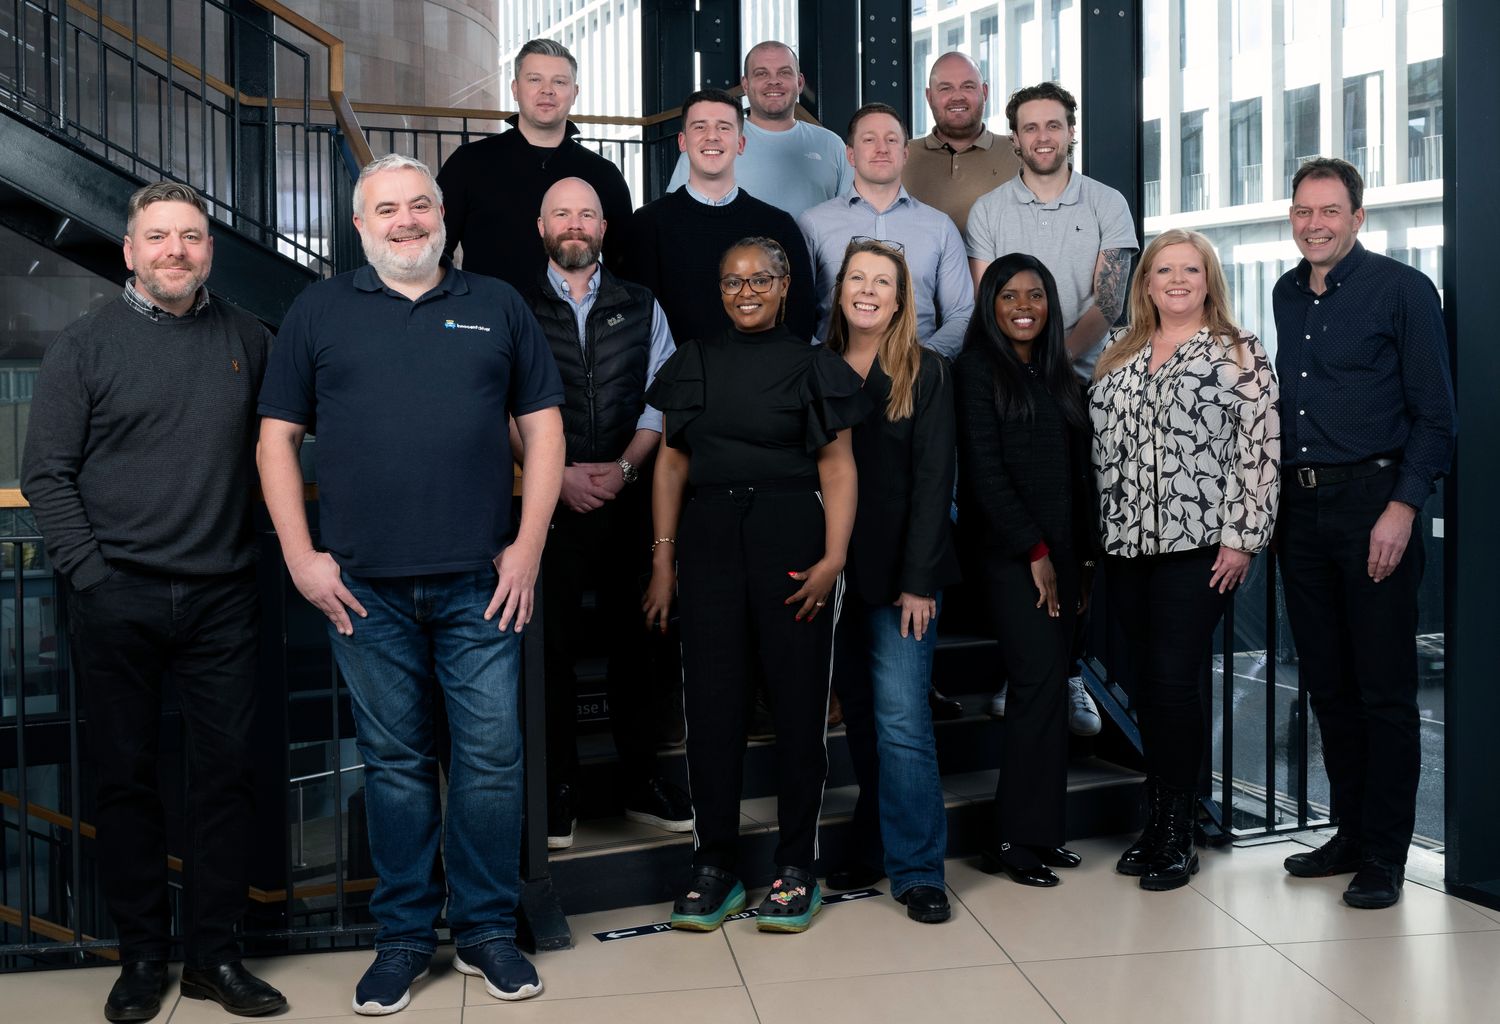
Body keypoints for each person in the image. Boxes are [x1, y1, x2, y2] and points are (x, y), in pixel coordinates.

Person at [257, 154, 565, 1014]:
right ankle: (402, 939)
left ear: (442, 216)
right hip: (362, 589)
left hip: (483, 581)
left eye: (420, 205)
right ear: (360, 225)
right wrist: (301, 557)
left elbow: (544, 431)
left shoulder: (496, 304)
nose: (406, 220)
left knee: (491, 762)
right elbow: (276, 440)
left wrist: (528, 546)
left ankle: (487, 931)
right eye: (387, 208)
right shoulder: (318, 310)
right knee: (394, 767)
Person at [21, 181, 287, 1022]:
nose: (177, 250)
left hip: (223, 597)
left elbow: (286, 441)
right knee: (125, 780)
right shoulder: (84, 346)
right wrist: (92, 578)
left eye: (192, 236)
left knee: (225, 780)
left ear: (208, 250)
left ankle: (214, 958)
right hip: (117, 596)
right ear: (130, 251)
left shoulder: (248, 338)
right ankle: (142, 957)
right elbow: (45, 474)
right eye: (160, 236)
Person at [642, 236, 868, 934]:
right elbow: (671, 465)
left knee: (799, 710)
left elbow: (838, 468)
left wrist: (834, 559)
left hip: (792, 541)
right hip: (709, 541)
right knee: (712, 710)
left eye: (759, 280)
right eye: (732, 281)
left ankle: (797, 867)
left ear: (785, 284)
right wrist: (663, 559)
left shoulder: (814, 365)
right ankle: (714, 867)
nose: (746, 292)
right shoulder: (694, 361)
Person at [1272, 158, 1455, 910]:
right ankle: (1349, 833)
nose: (1314, 224)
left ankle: (1384, 855)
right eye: (1303, 211)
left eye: (1329, 211)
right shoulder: (1287, 293)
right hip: (1300, 511)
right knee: (1328, 684)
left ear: (1357, 217)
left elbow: (1436, 416)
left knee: (1384, 691)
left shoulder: (1403, 290)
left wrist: (1403, 508)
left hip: (1375, 506)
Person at [1090, 229, 1280, 891]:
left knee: (1172, 680)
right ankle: (1159, 821)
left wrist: (1242, 538)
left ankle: (1177, 830)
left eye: (1190, 270)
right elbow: (1100, 452)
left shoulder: (1237, 350)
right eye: (1164, 270)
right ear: (1146, 282)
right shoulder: (1120, 351)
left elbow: (1259, 447)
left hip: (1199, 546)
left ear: (1208, 280)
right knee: (1151, 683)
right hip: (1125, 546)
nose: (1176, 280)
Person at [523, 176, 691, 849]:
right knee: (549, 648)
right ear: (542, 227)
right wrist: (555, 475)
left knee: (641, 640)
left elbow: (661, 397)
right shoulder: (514, 305)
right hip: (548, 505)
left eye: (586, 214)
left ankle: (643, 779)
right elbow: (502, 400)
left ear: (603, 228)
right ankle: (557, 789)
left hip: (628, 495)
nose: (575, 224)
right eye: (561, 213)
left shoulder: (641, 304)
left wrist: (624, 469)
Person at [966, 80, 1136, 726]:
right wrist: (1028, 371)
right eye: (1031, 126)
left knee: (1080, 532)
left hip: (1086, 386)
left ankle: (1066, 672)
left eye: (1054, 125)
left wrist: (1053, 364)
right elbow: (991, 299)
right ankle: (1024, 667)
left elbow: (1111, 301)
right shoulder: (988, 210)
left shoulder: (1107, 203)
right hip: (1011, 387)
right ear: (1014, 138)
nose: (1043, 136)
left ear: (1071, 131)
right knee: (1015, 522)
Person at [824, 239, 960, 923]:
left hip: (902, 573)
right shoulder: (816, 366)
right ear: (840, 289)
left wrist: (919, 582)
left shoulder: (925, 370)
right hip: (834, 574)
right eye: (858, 278)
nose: (869, 290)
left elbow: (936, 482)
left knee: (903, 722)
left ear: (901, 297)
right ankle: (874, 842)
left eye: (883, 281)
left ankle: (918, 871)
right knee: (863, 721)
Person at [954, 253, 1097, 889]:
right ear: (990, 304)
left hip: (1061, 556)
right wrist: (1035, 552)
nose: (1023, 306)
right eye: (1008, 295)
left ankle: (1041, 831)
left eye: (1035, 295)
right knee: (1036, 684)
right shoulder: (975, 370)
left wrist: (1080, 560)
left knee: (1049, 692)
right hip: (1011, 556)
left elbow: (1077, 477)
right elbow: (984, 474)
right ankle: (1011, 840)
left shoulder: (1056, 372)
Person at [437, 38, 632, 291]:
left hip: (578, 315)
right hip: (490, 313)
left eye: (559, 82)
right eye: (534, 79)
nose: (547, 90)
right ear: (515, 89)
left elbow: (625, 265)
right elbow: (435, 250)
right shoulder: (468, 163)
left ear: (575, 93)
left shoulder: (603, 174)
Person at [625, 87, 817, 345]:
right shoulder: (647, 224)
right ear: (682, 142)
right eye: (700, 127)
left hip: (760, 369)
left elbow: (800, 316)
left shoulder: (778, 225)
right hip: (676, 370)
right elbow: (638, 320)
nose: (712, 136)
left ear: (741, 144)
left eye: (724, 127)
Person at [798, 102, 974, 358]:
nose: (881, 148)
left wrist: (923, 362)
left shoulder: (940, 228)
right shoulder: (813, 224)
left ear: (905, 153)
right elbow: (795, 311)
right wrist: (825, 364)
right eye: (869, 139)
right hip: (833, 372)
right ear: (850, 155)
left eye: (891, 140)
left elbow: (961, 315)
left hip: (917, 372)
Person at [665, 40, 852, 217]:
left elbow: (853, 216)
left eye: (784, 73)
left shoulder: (831, 144)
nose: (773, 81)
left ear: (800, 83)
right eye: (762, 74)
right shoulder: (714, 144)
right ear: (745, 84)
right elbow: (678, 212)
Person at [903, 51, 1022, 237]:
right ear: (929, 96)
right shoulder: (900, 157)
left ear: (984, 92)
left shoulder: (1021, 153)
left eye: (967, 86)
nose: (957, 96)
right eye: (945, 88)